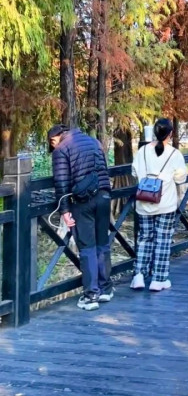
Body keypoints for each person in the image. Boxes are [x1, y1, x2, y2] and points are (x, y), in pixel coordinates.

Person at [48, 123, 113, 311]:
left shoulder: (61, 149)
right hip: (104, 196)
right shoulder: (94, 141)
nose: (52, 146)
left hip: (83, 201)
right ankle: (105, 289)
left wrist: (64, 210)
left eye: (51, 142)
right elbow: (104, 168)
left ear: (55, 138)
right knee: (103, 244)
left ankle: (91, 295)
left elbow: (61, 182)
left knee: (87, 247)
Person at [131, 118, 187, 292]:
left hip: (143, 202)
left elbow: (134, 172)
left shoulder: (142, 151)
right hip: (165, 203)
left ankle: (139, 276)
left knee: (144, 238)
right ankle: (159, 279)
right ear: (170, 134)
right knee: (163, 240)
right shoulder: (174, 154)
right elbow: (180, 178)